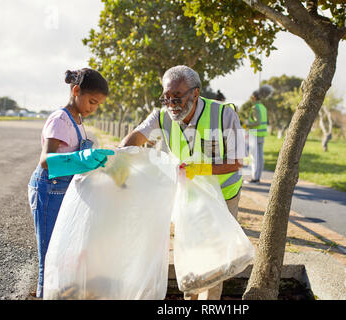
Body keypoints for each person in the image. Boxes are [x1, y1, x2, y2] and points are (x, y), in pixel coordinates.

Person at [118, 65, 245, 300]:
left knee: (217, 255)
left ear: (195, 93)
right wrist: (118, 156)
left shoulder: (224, 114)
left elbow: (237, 161)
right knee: (190, 247)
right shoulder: (161, 116)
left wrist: (203, 169)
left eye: (176, 97)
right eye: (166, 97)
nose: (171, 103)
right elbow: (137, 136)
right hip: (190, 195)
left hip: (224, 196)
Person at [27, 68, 115, 298]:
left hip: (63, 190)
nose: (93, 108)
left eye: (98, 105)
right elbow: (46, 161)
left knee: (63, 249)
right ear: (76, 91)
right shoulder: (60, 119)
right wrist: (80, 159)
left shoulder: (78, 120)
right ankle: (45, 293)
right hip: (48, 189)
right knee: (49, 254)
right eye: (92, 101)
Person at [244, 85, 271, 184]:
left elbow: (257, 122)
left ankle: (255, 178)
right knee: (260, 157)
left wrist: (247, 124)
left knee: (254, 157)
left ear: (254, 97)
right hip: (261, 135)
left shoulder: (255, 107)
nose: (251, 99)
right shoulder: (263, 107)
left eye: (251, 97)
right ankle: (258, 177)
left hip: (255, 135)